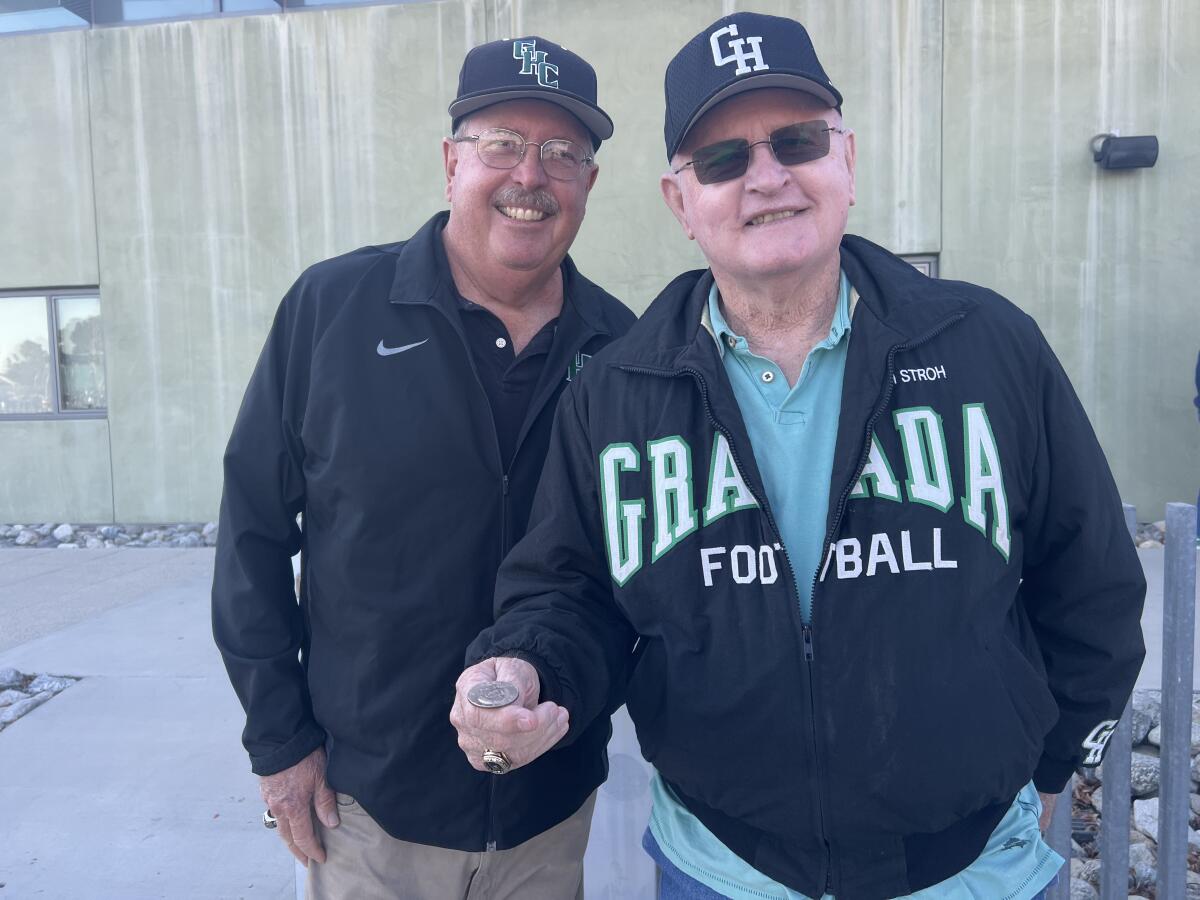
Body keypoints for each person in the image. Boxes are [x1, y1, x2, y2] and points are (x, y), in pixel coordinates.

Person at [450, 13, 1146, 900]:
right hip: (722, 870)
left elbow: (1093, 587)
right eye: (723, 159)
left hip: (974, 872)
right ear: (681, 201)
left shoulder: (989, 347)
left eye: (797, 141)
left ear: (845, 161)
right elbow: (570, 591)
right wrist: (524, 665)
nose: (766, 177)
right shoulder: (618, 390)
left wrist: (1054, 761)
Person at [212, 34, 634, 899]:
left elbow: (630, 572)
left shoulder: (623, 350)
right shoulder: (331, 311)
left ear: (589, 183)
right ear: (451, 162)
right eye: (501, 144)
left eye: (562, 153)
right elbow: (252, 531)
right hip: (367, 814)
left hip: (548, 816)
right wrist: (279, 742)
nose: (530, 176)